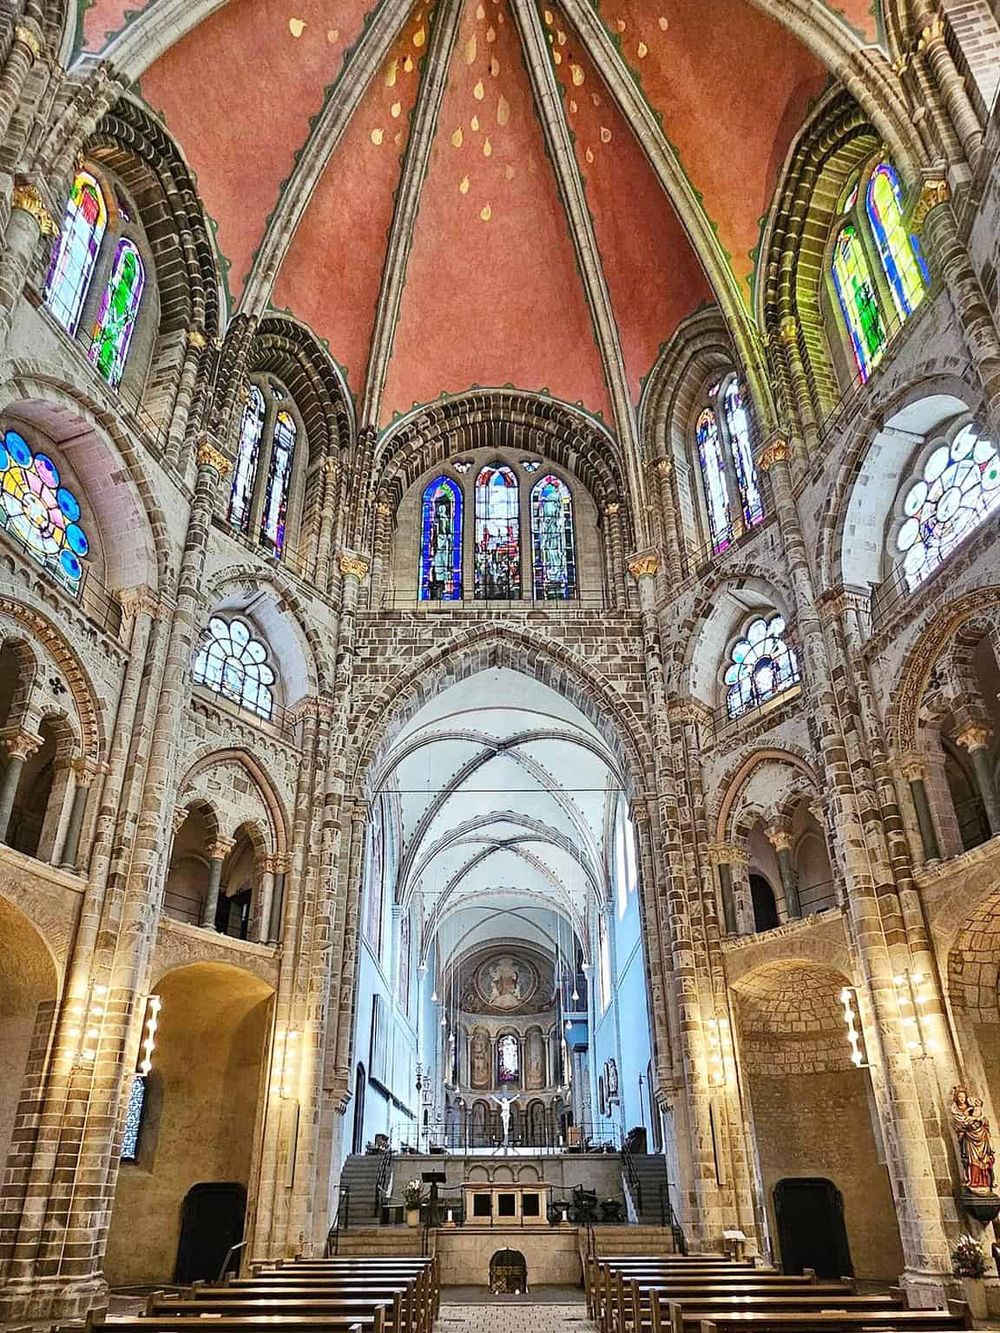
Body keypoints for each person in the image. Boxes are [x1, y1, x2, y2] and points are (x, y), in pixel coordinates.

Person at [950, 1086, 997, 1193]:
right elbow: (961, 1125)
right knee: (972, 1162)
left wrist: (976, 1119)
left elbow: (983, 1121)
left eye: (963, 1097)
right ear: (956, 1099)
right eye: (959, 1097)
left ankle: (988, 1182)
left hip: (981, 1139)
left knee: (985, 1162)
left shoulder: (977, 1115)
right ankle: (972, 1182)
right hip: (970, 1141)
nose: (962, 1099)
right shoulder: (959, 1112)